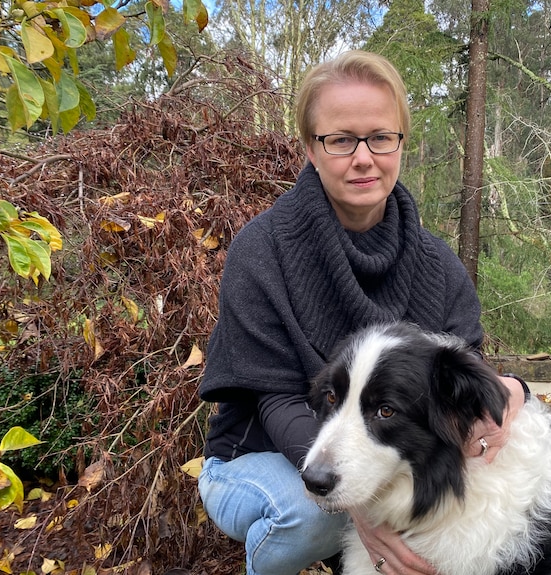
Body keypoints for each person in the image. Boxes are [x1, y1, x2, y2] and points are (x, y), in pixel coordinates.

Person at [197, 50, 527, 575]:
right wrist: (362, 506)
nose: (363, 157)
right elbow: (275, 401)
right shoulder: (261, 250)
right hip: (254, 457)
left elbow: (465, 368)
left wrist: (514, 392)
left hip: (368, 448)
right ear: (310, 147)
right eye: (340, 139)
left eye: (380, 137)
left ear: (400, 142)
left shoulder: (436, 263)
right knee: (317, 517)